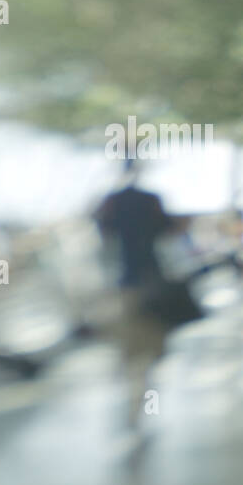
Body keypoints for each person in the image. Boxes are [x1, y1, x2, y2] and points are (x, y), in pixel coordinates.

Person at [94, 156, 181, 431]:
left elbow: (103, 234)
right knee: (152, 333)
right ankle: (143, 378)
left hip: (124, 278)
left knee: (131, 333)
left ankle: (133, 376)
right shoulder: (151, 200)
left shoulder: (111, 202)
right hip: (152, 275)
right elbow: (168, 231)